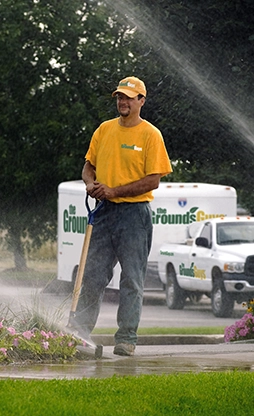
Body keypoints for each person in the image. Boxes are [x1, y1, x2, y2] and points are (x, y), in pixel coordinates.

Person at [73, 76, 172, 356]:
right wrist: (90, 183)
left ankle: (126, 339)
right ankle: (79, 333)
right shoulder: (104, 130)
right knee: (92, 275)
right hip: (104, 213)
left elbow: (153, 181)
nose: (123, 102)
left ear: (141, 100)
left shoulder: (150, 135)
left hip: (134, 215)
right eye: (119, 97)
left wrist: (115, 190)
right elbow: (88, 166)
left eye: (129, 97)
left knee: (131, 279)